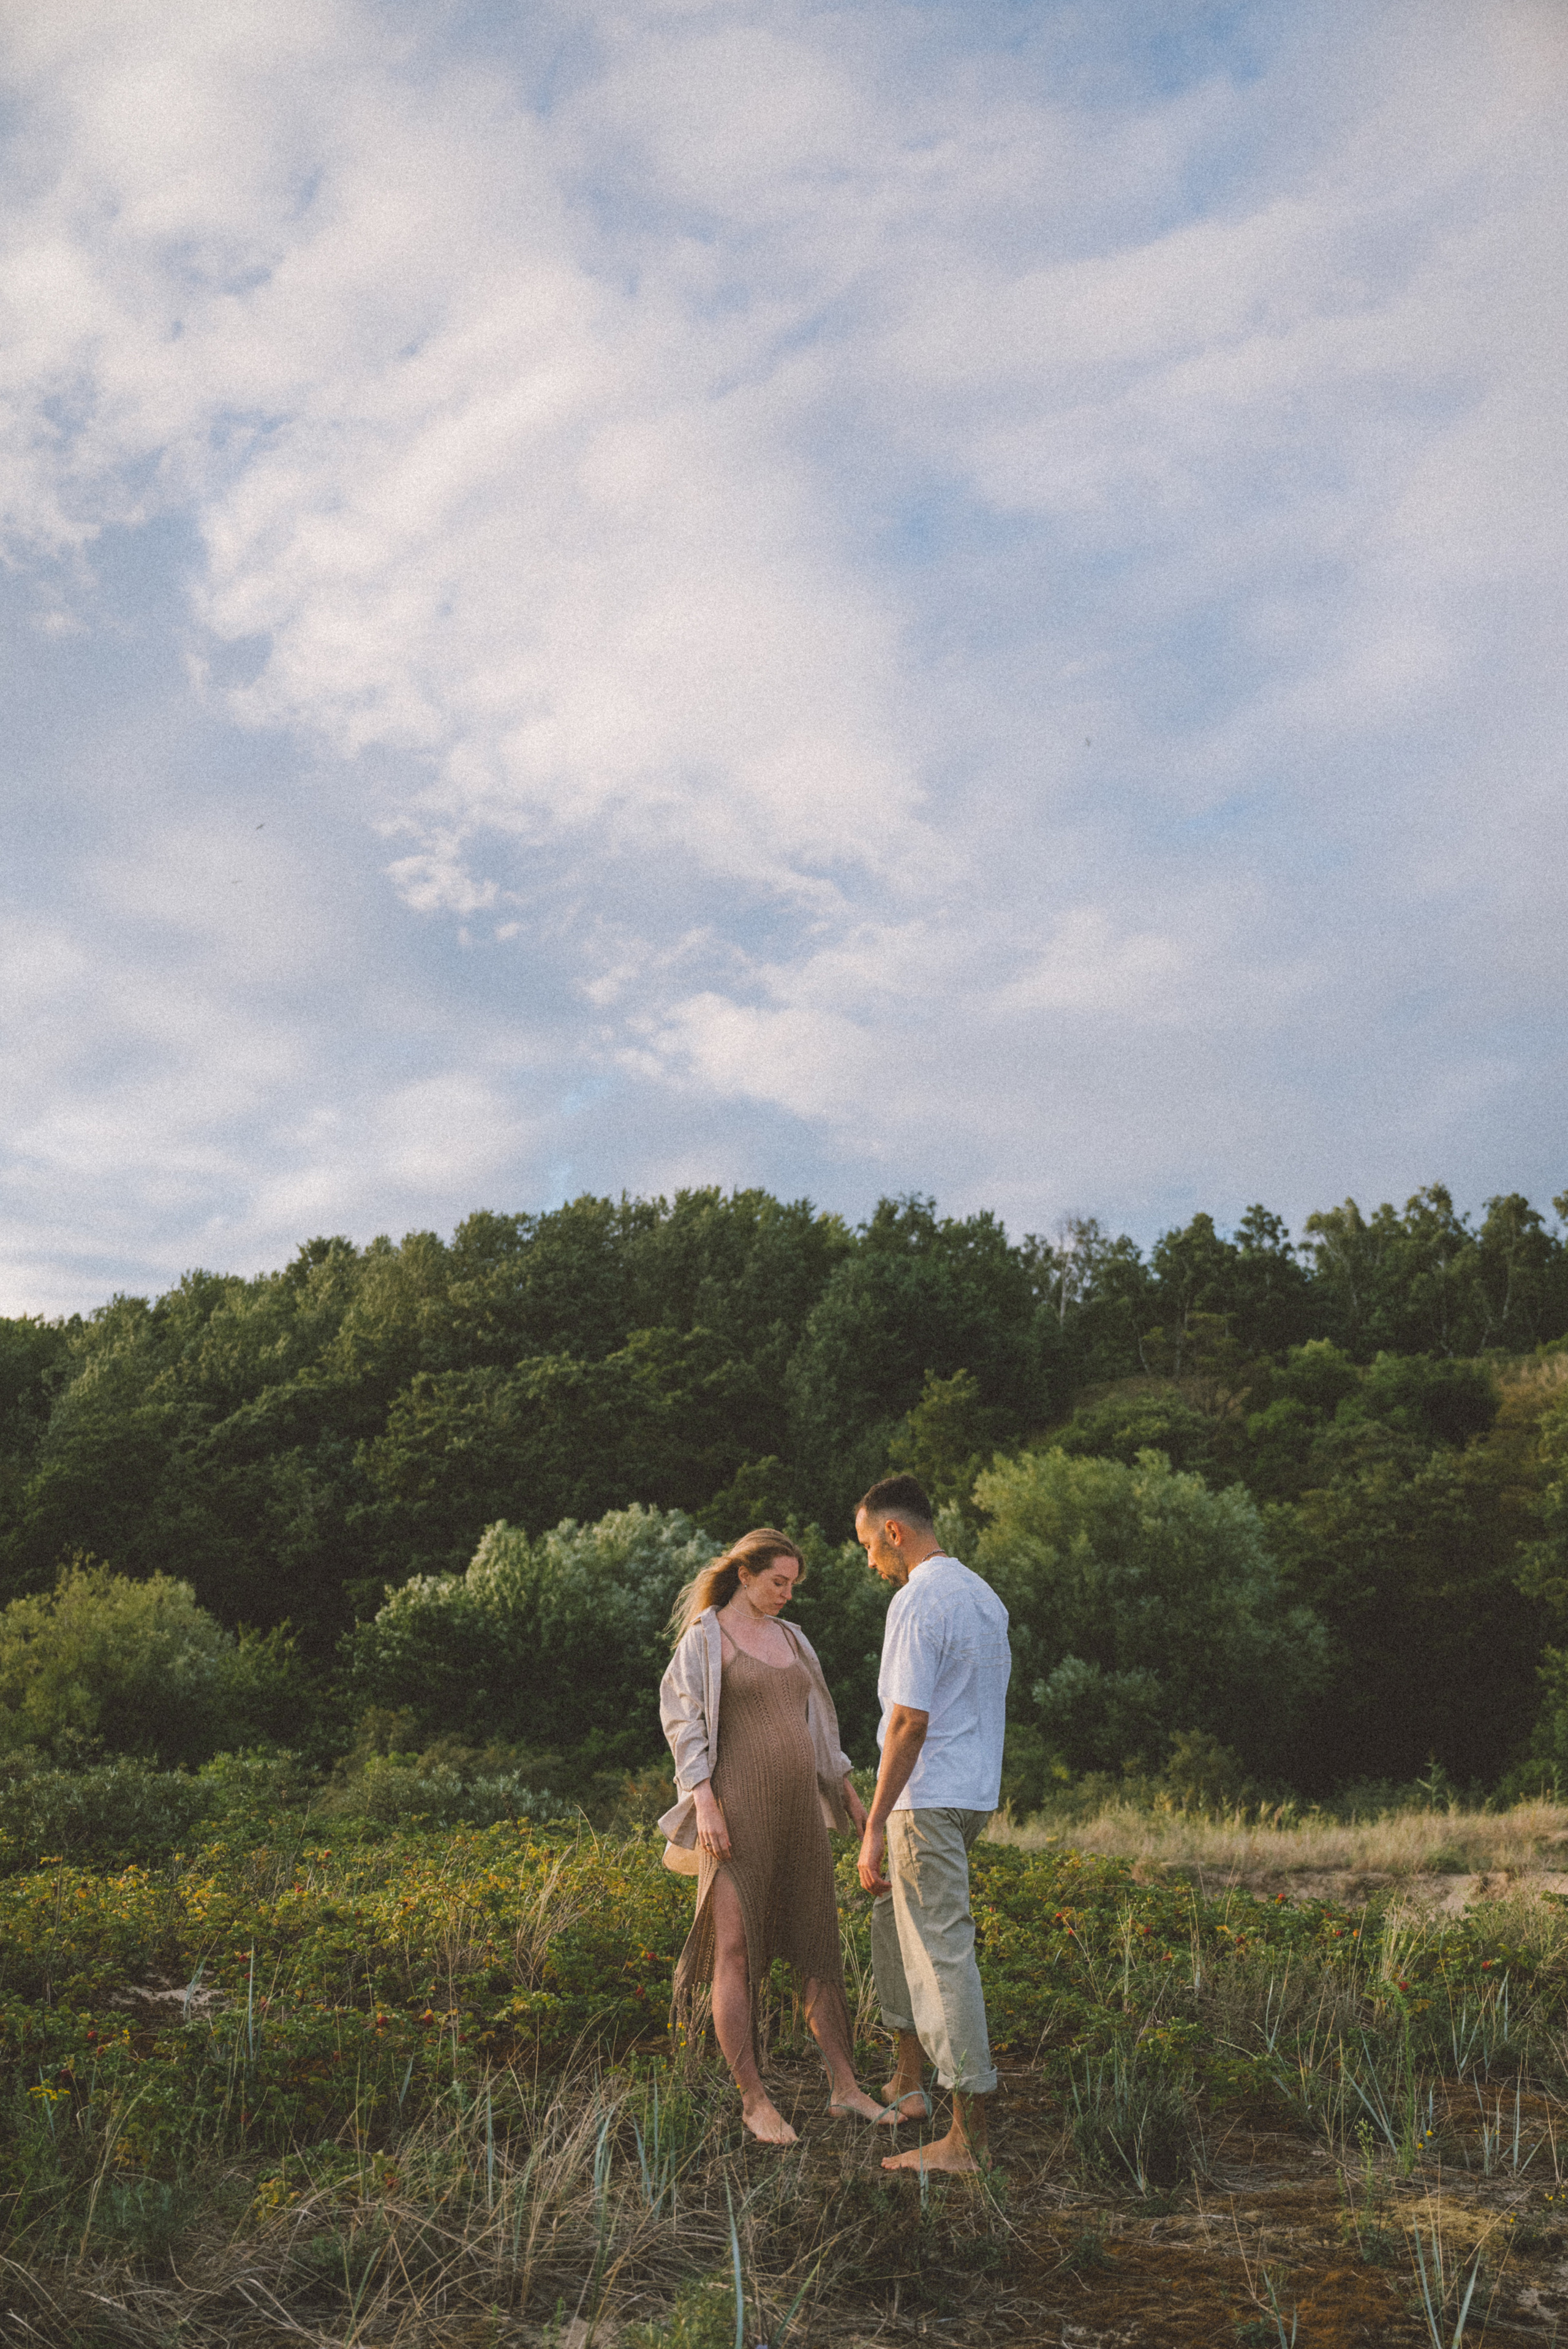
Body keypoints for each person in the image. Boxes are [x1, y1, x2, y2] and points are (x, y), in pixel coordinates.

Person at [658, 1527, 886, 2144]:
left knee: (818, 1944)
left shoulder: (793, 1639)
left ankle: (845, 2088)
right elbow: (682, 1726)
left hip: (798, 1815)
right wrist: (704, 1803)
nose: (786, 1594)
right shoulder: (707, 1638)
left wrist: (845, 1788)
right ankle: (753, 2100)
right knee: (736, 1952)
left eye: (792, 1584)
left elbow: (820, 1726)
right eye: (777, 1582)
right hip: (735, 1815)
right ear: (744, 1574)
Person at [855, 1473, 1011, 2175]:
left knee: (943, 1953)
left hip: (927, 1799)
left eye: (868, 1545)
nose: (869, 1564)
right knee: (893, 1926)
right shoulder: (982, 1595)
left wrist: (873, 1822)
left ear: (895, 1531)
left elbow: (909, 1723)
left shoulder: (917, 1601)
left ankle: (965, 2139)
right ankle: (908, 2081)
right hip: (971, 1794)